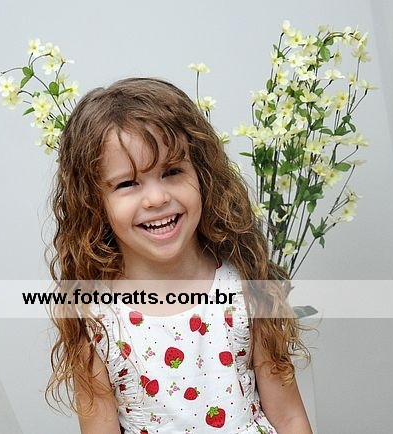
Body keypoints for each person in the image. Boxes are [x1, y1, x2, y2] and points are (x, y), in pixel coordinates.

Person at [46, 77, 312, 433]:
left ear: (201, 174)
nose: (157, 198)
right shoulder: (96, 318)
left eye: (172, 172)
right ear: (94, 202)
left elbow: (290, 417)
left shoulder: (246, 287)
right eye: (127, 183)